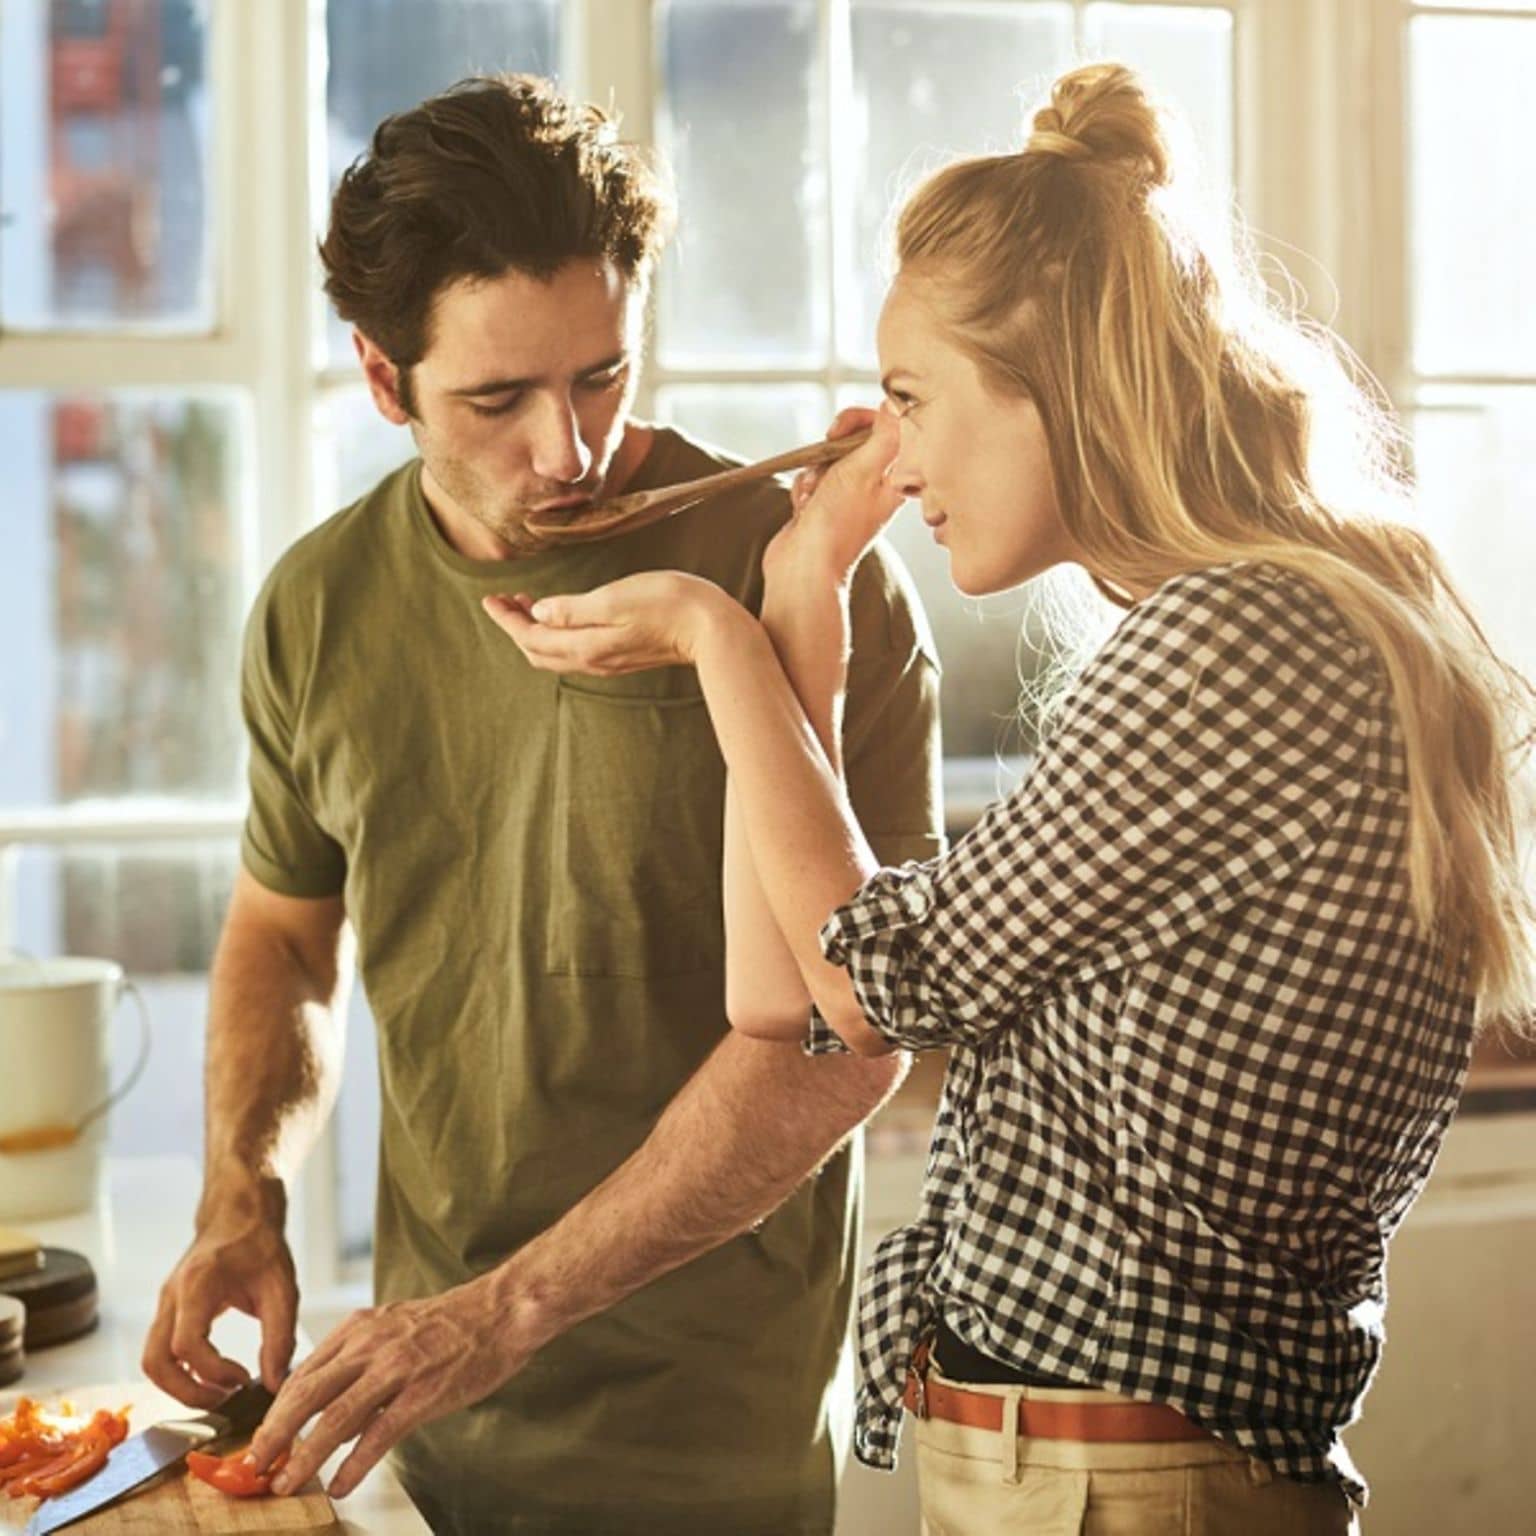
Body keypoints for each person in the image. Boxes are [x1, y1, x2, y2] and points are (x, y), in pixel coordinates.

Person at [477, 61, 1536, 1536]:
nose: (892, 456)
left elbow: (878, 981)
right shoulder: (1265, 624)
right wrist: (800, 597)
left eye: (915, 399)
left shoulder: (1238, 642)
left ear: (1055, 391)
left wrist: (720, 641)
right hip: (1086, 1467)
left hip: (1124, 1481)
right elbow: (780, 990)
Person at [142, 74, 943, 1536]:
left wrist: (502, 1315)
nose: (565, 449)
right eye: (497, 399)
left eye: (600, 377)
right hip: (419, 1439)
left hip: (715, 1450)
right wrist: (240, 1187)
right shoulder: (317, 606)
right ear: (384, 384)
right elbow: (281, 934)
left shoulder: (807, 576)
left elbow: (853, 1044)